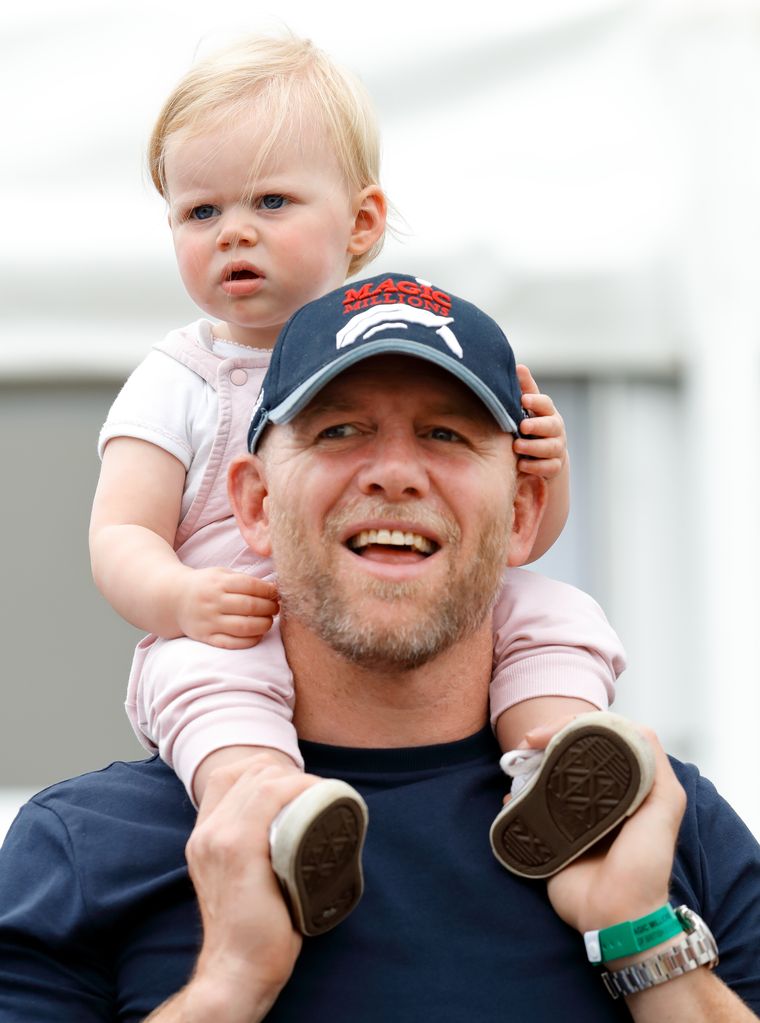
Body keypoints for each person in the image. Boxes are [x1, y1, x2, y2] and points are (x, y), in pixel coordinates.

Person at [2, 275, 759, 1023]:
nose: (395, 473)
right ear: (255, 504)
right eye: (339, 430)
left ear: (524, 510)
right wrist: (228, 986)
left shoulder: (662, 828)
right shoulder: (80, 850)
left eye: (445, 434)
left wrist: (640, 938)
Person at [87, 34, 630, 934]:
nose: (234, 232)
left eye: (270, 200)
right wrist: (181, 597)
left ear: (363, 223)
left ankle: (556, 763)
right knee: (203, 678)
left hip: (408, 601)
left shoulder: (427, 339)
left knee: (553, 608)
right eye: (199, 211)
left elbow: (521, 533)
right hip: (234, 618)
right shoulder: (176, 378)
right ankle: (270, 810)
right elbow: (118, 534)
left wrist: (548, 464)